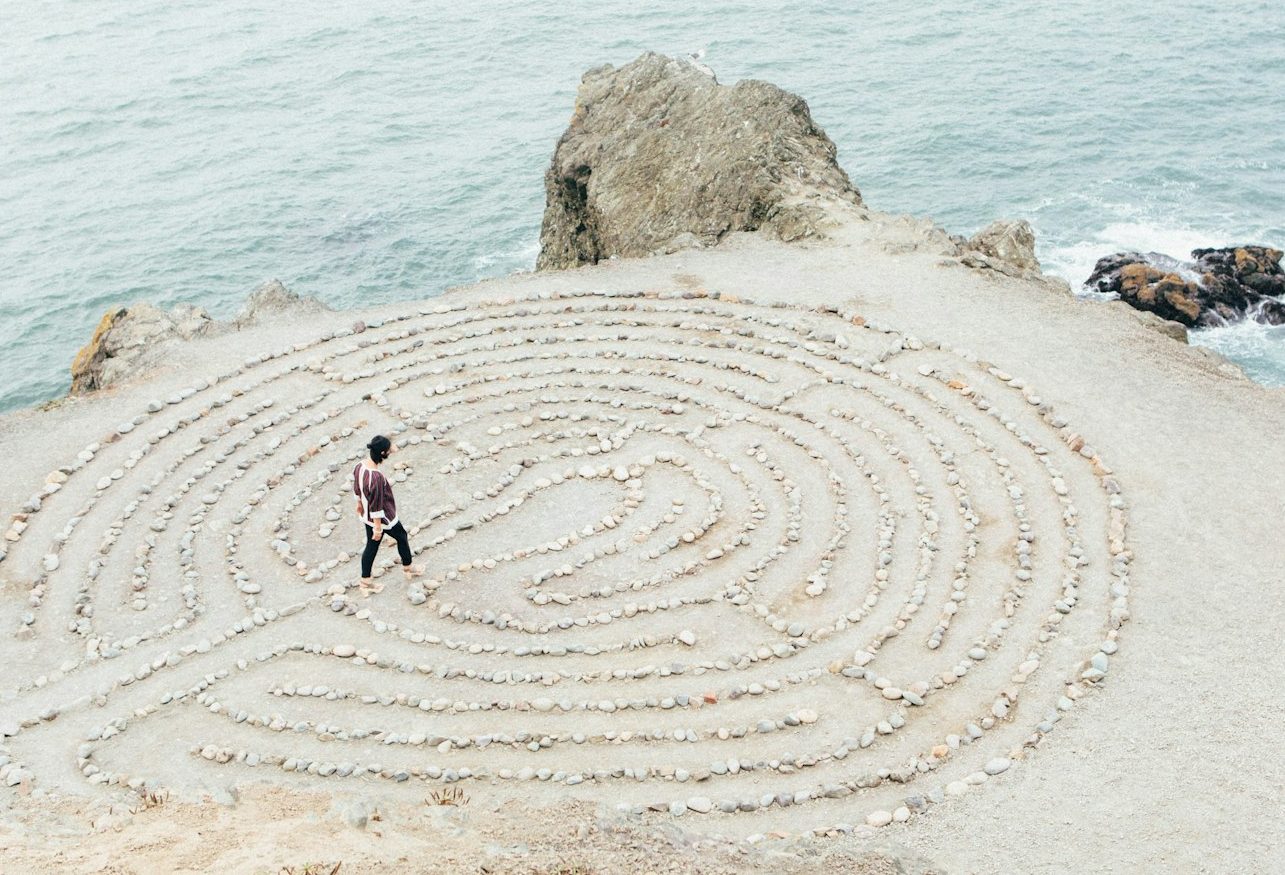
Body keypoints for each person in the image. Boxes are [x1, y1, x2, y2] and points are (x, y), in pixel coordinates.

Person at [353, 435, 422, 595]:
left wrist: (358, 503)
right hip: (383, 519)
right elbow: (377, 503)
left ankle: (365, 582)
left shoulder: (360, 465)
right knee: (402, 536)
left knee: (372, 547)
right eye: (388, 450)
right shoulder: (376, 477)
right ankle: (408, 568)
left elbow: (356, 487)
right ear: (383, 453)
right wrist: (378, 527)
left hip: (367, 515)